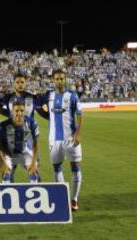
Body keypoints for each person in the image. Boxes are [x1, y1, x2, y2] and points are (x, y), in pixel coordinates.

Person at [40, 69, 83, 211]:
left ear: (64, 80)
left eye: (61, 78)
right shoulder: (49, 95)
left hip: (70, 138)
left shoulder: (72, 95)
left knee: (75, 167)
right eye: (57, 79)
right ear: (53, 80)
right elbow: (41, 108)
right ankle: (63, 198)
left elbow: (79, 114)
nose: (59, 81)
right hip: (54, 140)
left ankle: (74, 200)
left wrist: (77, 134)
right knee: (57, 168)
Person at [0, 101, 39, 183]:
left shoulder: (31, 123)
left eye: (22, 110)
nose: (19, 113)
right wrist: (2, 162)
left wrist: (33, 162)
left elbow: (35, 143)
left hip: (25, 152)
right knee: (5, 173)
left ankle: (34, 192)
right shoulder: (3, 125)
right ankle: (7, 194)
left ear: (24, 111)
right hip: (9, 154)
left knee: (34, 172)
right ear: (12, 112)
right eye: (16, 110)